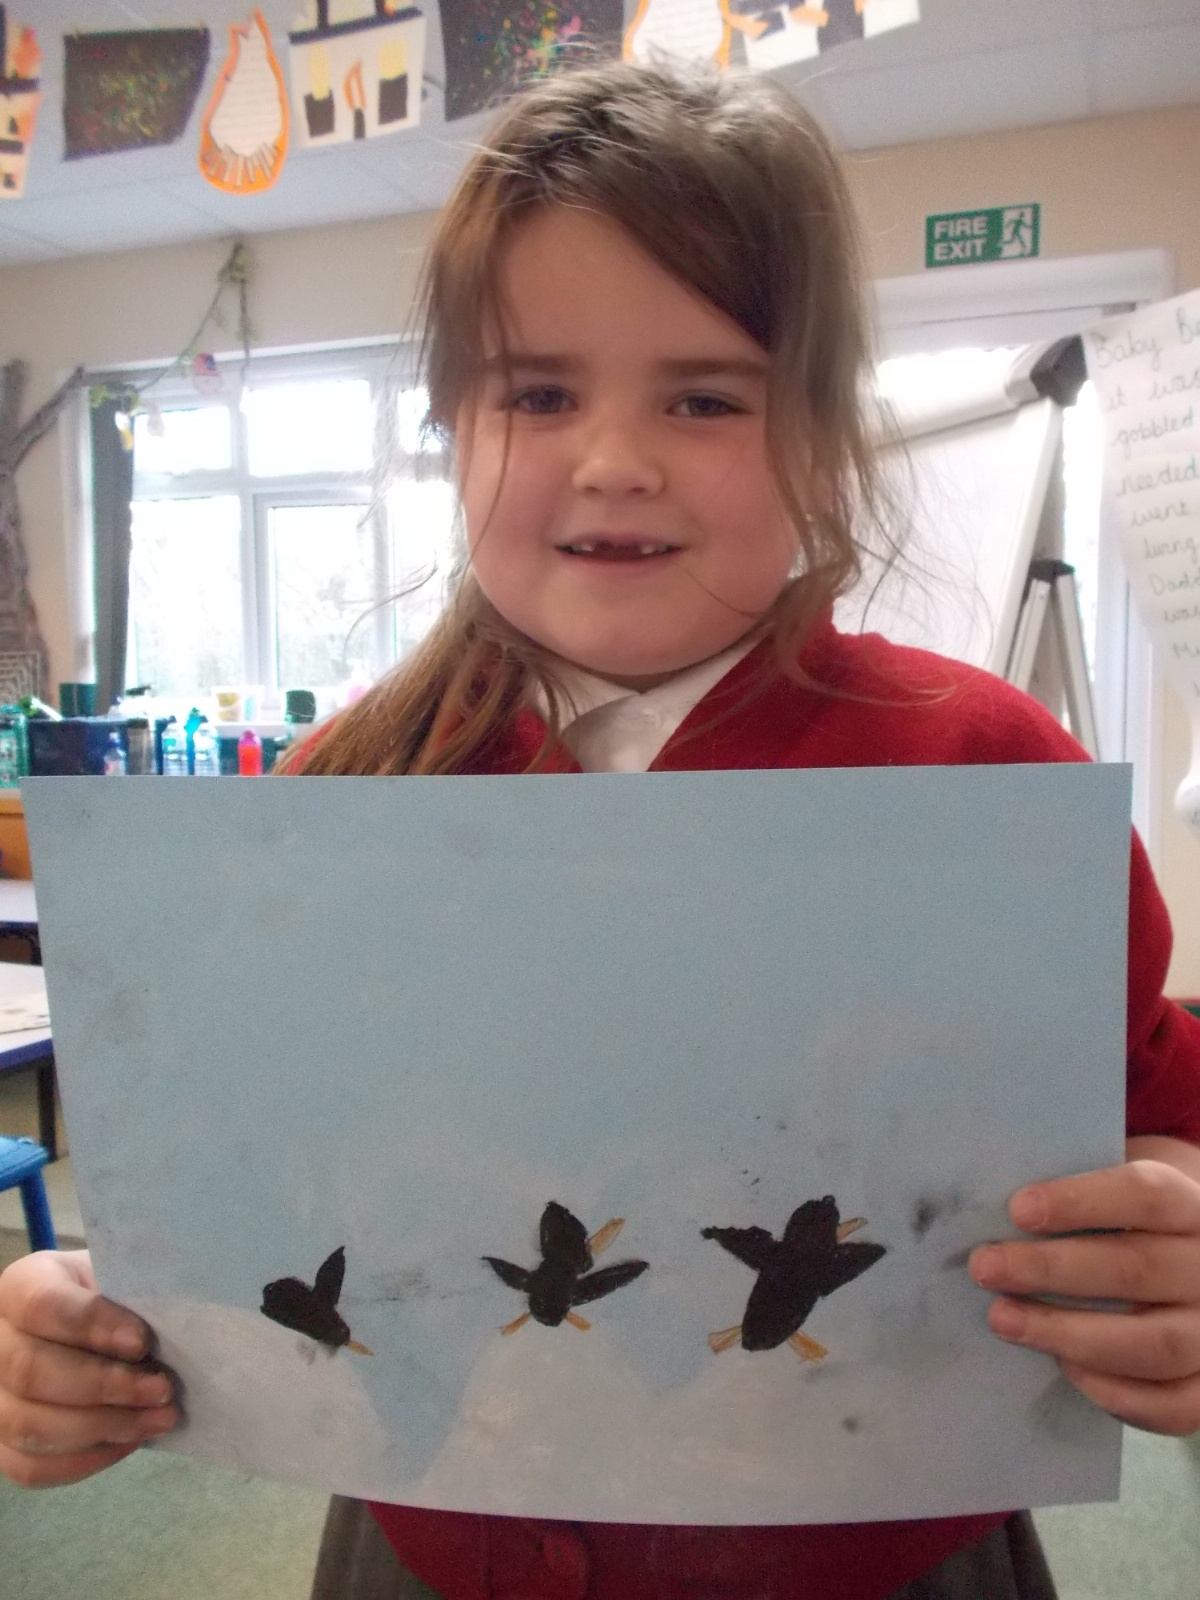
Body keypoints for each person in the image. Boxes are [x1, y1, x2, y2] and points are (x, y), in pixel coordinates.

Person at [3, 61, 1200, 1600]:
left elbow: (1154, 1111)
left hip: (876, 1549)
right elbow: (235, 1197)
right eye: (539, 393)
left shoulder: (983, 772)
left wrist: (1172, 1246)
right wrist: (85, 1327)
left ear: (819, 438)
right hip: (435, 1538)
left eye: (705, 398)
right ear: (453, 427)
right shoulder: (330, 804)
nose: (616, 459)